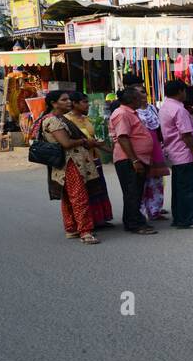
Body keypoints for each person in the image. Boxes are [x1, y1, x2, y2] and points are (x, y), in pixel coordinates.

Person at [37, 90, 106, 245]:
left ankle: (72, 228)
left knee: (69, 197)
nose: (69, 102)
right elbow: (66, 143)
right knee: (79, 196)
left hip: (72, 162)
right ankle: (85, 232)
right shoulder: (53, 121)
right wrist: (82, 142)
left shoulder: (61, 118)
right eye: (64, 100)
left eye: (69, 99)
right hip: (69, 163)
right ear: (54, 103)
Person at [109, 85, 157, 235]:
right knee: (132, 192)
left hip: (136, 158)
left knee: (135, 192)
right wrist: (135, 160)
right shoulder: (122, 113)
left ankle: (134, 220)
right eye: (139, 97)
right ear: (132, 99)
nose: (142, 99)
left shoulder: (130, 112)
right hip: (129, 160)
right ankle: (134, 224)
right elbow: (123, 137)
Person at [160, 79, 193, 229]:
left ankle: (179, 218)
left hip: (174, 153)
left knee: (179, 188)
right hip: (183, 154)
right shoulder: (179, 110)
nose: (185, 93)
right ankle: (185, 219)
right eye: (184, 90)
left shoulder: (165, 106)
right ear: (180, 91)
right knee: (187, 188)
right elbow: (186, 135)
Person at [124, 76, 170, 223]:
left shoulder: (153, 108)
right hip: (139, 151)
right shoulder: (130, 112)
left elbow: (160, 130)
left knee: (156, 182)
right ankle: (141, 212)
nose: (141, 95)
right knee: (141, 183)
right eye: (138, 93)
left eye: (143, 92)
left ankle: (155, 210)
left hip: (155, 148)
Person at [65, 91, 114, 229]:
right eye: (84, 102)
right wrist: (88, 143)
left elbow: (92, 139)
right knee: (86, 191)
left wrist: (111, 151)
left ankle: (100, 219)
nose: (88, 105)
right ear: (74, 104)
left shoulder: (86, 118)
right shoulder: (67, 120)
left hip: (94, 157)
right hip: (80, 161)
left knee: (98, 188)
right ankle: (87, 222)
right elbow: (69, 141)